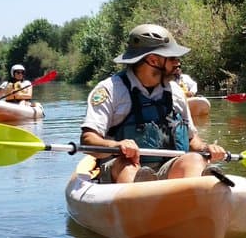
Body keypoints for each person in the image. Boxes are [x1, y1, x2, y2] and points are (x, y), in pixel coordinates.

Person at [80, 24, 227, 183]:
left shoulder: (176, 92)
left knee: (194, 160)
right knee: (127, 166)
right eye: (172, 58)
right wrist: (117, 145)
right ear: (153, 60)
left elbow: (192, 139)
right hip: (121, 168)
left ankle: (196, 195)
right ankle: (139, 196)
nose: (178, 63)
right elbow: (88, 139)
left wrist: (207, 149)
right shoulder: (110, 90)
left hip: (168, 168)